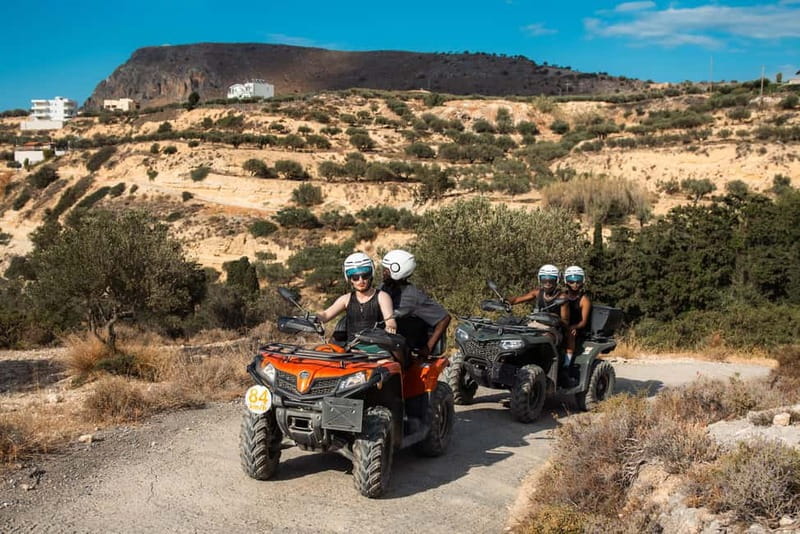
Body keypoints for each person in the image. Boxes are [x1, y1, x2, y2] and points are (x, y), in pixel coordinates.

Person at [380, 249, 451, 359]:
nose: (383, 272)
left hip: (401, 349)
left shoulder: (413, 296)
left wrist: (428, 347)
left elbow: (444, 318)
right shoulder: (383, 288)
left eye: (386, 270)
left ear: (397, 270)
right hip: (381, 343)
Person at [315, 252, 397, 344]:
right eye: (355, 277)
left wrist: (390, 327)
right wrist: (310, 319)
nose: (361, 280)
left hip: (377, 349)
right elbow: (325, 315)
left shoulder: (382, 297)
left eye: (365, 275)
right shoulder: (345, 299)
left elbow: (390, 320)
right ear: (349, 279)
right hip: (351, 350)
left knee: (386, 359)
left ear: (371, 275)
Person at [563, 265, 591, 369]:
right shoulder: (562, 295)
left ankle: (567, 365)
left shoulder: (584, 300)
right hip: (562, 324)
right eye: (571, 281)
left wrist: (574, 327)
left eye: (578, 281)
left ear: (582, 282)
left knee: (571, 334)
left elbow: (583, 321)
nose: (575, 284)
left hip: (577, 328)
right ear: (566, 282)